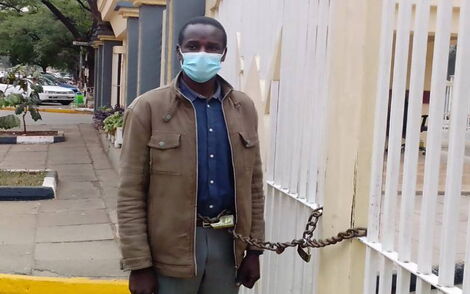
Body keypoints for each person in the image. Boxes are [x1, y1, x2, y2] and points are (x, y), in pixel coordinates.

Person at [117, 16, 265, 294]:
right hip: (169, 251)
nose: (202, 54)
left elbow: (253, 186)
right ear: (179, 52)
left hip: (228, 244)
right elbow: (130, 193)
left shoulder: (242, 107)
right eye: (193, 46)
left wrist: (254, 250)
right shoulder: (147, 108)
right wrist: (139, 264)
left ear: (223, 54)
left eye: (212, 47)